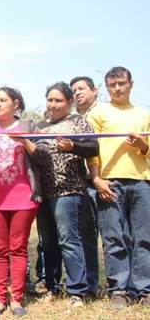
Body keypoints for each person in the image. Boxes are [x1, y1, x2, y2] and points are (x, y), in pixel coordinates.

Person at [0, 87, 45, 317]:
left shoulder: (28, 125)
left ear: (16, 103)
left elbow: (42, 156)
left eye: (2, 100)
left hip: (23, 197)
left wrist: (24, 141)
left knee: (17, 247)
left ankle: (16, 299)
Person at [87, 67, 150, 310]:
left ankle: (144, 290)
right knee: (115, 238)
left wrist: (143, 145)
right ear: (106, 87)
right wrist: (96, 179)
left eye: (122, 84)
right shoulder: (98, 112)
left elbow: (148, 151)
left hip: (142, 182)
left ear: (131, 84)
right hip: (109, 182)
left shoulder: (144, 114)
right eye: (113, 85)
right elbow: (91, 150)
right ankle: (120, 290)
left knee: (143, 239)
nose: (118, 89)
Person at [35, 82, 98, 307]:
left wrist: (72, 146)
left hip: (68, 189)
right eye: (50, 100)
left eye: (58, 100)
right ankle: (53, 286)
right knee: (48, 242)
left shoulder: (78, 122)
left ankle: (77, 291)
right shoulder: (39, 126)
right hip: (42, 191)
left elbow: (94, 147)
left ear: (69, 102)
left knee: (68, 240)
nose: (53, 104)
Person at [69, 76, 100, 296]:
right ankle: (90, 284)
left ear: (95, 90)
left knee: (114, 237)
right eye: (74, 90)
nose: (77, 93)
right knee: (85, 236)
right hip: (81, 184)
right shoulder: (72, 119)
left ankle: (124, 287)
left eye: (82, 88)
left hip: (105, 181)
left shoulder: (105, 113)